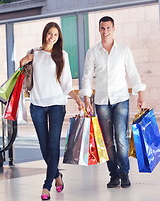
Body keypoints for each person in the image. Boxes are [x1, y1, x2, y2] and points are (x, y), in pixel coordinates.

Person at [79, 16, 146, 188]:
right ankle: (113, 175)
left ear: (114, 29)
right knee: (108, 140)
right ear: (99, 30)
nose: (105, 31)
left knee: (121, 138)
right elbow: (86, 76)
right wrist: (86, 98)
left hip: (121, 99)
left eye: (108, 28)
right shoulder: (92, 52)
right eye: (102, 28)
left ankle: (124, 173)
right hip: (101, 101)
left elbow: (133, 72)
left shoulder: (123, 50)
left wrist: (140, 93)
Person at [20, 22, 84, 200]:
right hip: (37, 105)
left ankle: (46, 186)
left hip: (57, 104)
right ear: (45, 34)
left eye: (55, 35)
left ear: (59, 37)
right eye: (50, 33)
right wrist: (21, 62)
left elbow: (67, 85)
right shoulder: (34, 53)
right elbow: (23, 79)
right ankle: (57, 175)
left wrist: (78, 99)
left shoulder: (62, 55)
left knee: (53, 145)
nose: (52, 37)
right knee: (44, 146)